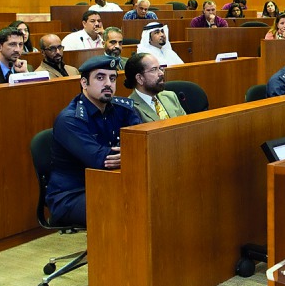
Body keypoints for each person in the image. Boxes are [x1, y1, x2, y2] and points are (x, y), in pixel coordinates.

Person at [49, 55, 143, 227]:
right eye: (100, 77)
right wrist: (133, 153)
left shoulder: (123, 109)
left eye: (112, 78)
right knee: (129, 204)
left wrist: (132, 152)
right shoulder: (70, 120)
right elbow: (101, 160)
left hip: (109, 184)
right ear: (84, 83)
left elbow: (142, 142)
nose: (108, 83)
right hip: (72, 195)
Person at [124, 52, 186, 122]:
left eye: (160, 68)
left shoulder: (170, 96)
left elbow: (186, 126)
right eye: (154, 69)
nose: (161, 73)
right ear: (139, 78)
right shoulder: (129, 108)